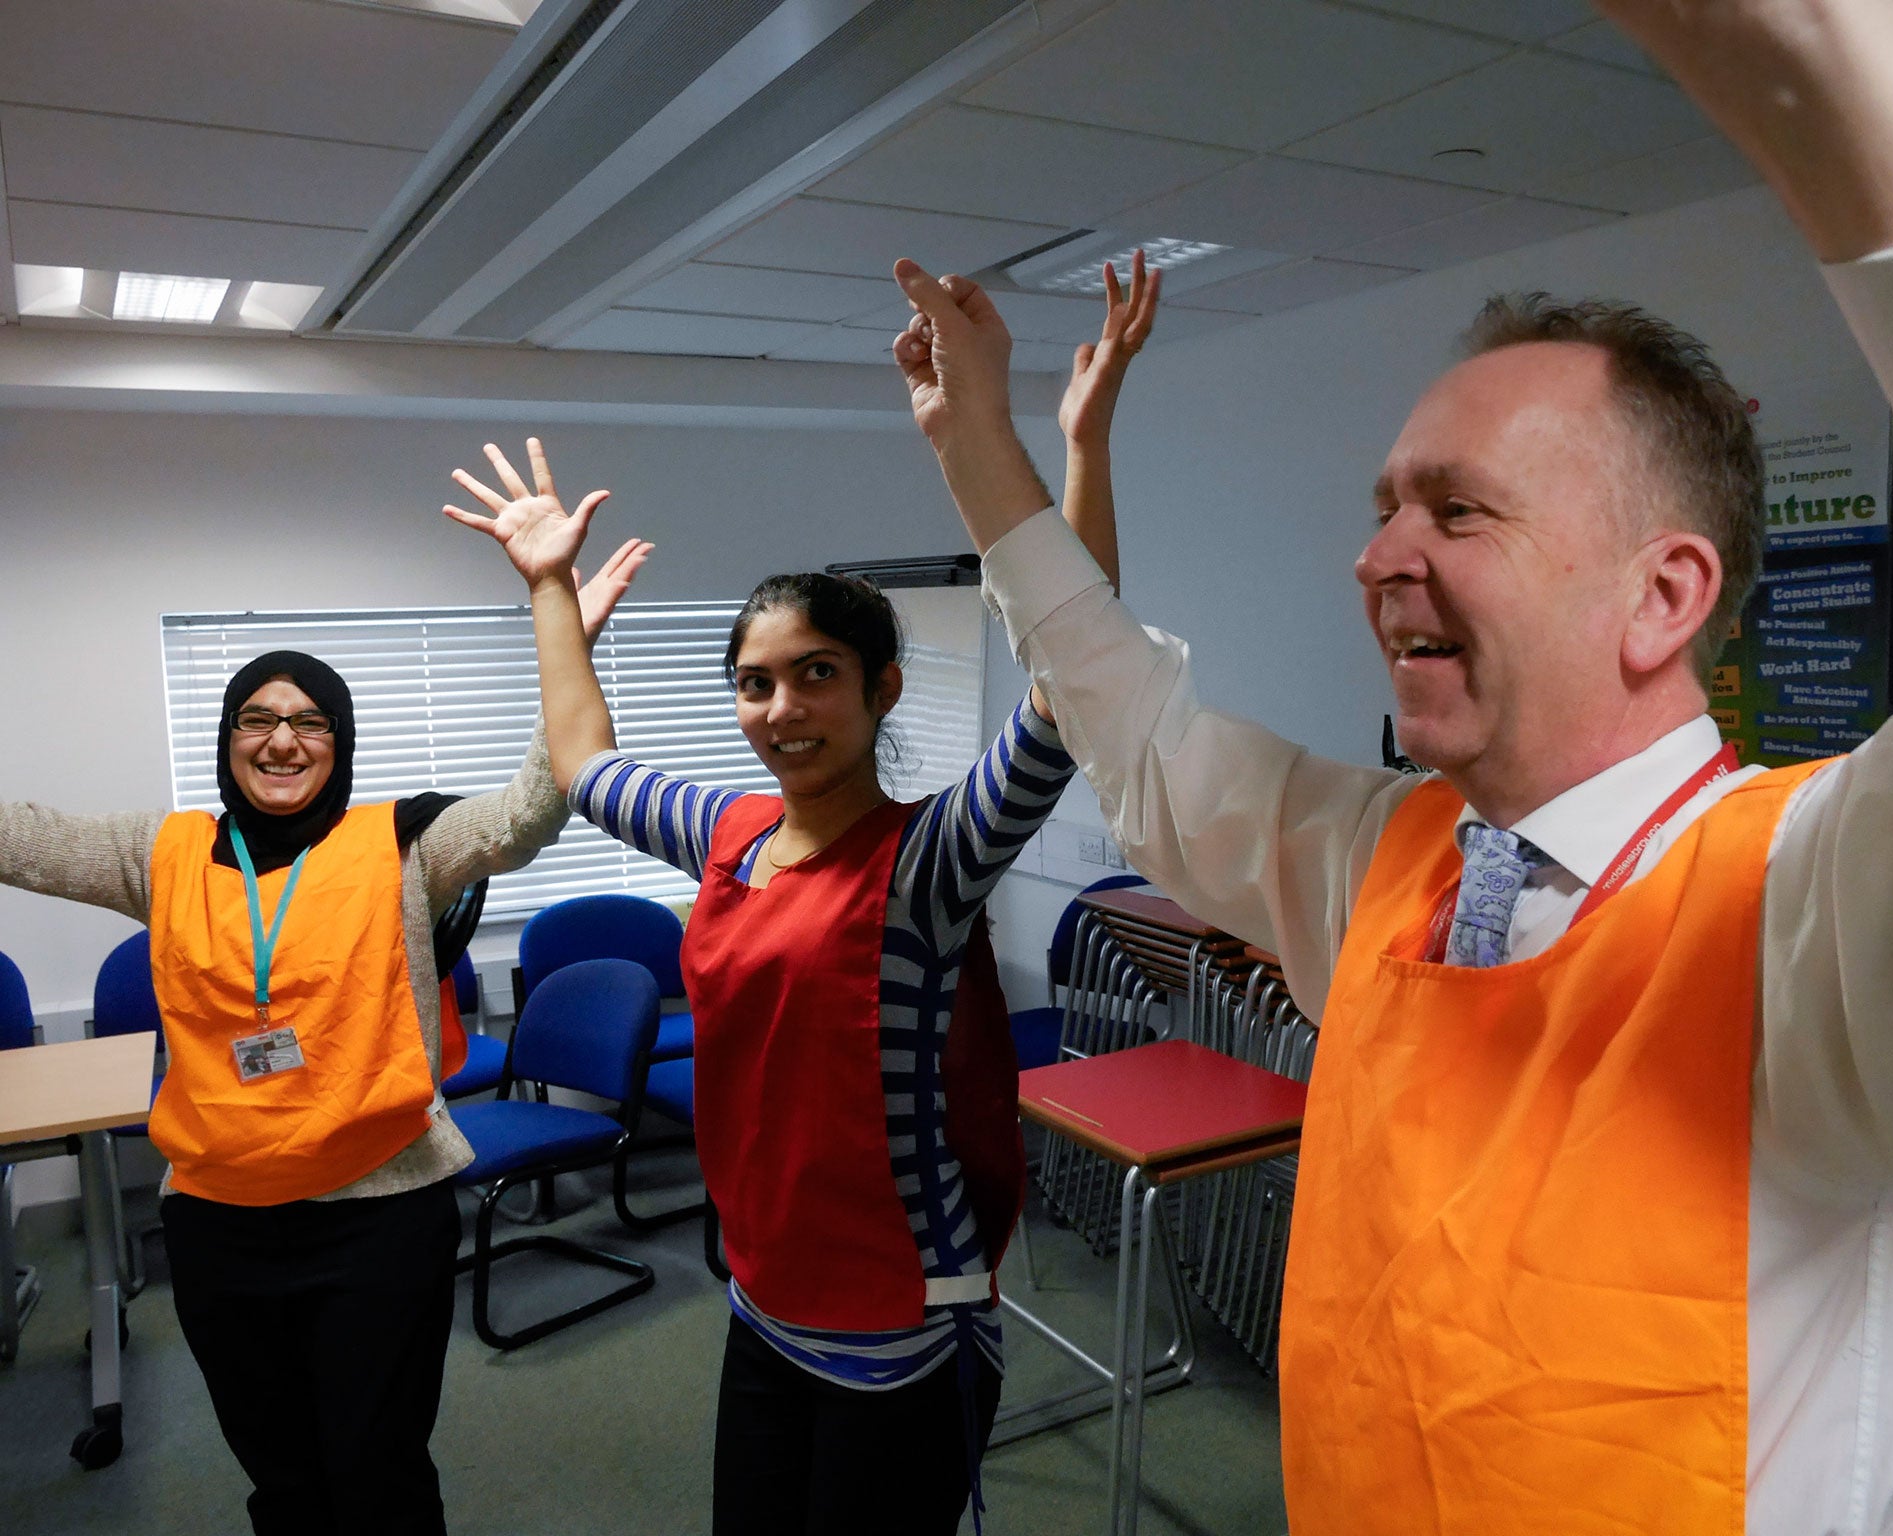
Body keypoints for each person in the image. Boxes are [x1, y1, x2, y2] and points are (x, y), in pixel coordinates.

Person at [888, 1, 1893, 1530]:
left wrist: (1815, 52)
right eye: (1387, 507)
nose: (1375, 558)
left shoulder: (1834, 899)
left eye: (1457, 511)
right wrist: (979, 450)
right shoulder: (1390, 863)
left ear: (1664, 596)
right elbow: (1144, 743)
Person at [442, 269, 1155, 1536]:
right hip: (761, 1300)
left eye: (815, 676)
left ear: (880, 689)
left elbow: (1075, 674)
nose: (781, 712)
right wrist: (549, 583)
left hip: (900, 1320)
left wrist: (1079, 450)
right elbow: (581, 763)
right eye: (756, 684)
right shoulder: (725, 834)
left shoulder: (930, 857)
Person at [0, 549, 644, 1535]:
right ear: (229, 739)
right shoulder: (162, 852)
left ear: (338, 740)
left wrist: (566, 636)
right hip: (221, 1223)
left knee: (378, 1469)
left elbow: (530, 810)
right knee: (283, 1481)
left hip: (379, 1213)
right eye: (257, 718)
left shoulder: (402, 844)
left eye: (307, 720)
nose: (281, 740)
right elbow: (24, 837)